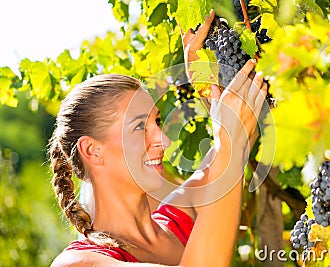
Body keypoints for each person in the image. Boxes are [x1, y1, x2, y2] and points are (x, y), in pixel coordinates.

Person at [49, 10, 268, 267]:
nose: (163, 141)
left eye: (157, 122)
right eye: (140, 127)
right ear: (92, 150)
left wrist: (208, 80)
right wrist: (229, 140)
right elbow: (229, 148)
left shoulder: (177, 218)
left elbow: (239, 138)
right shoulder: (78, 263)